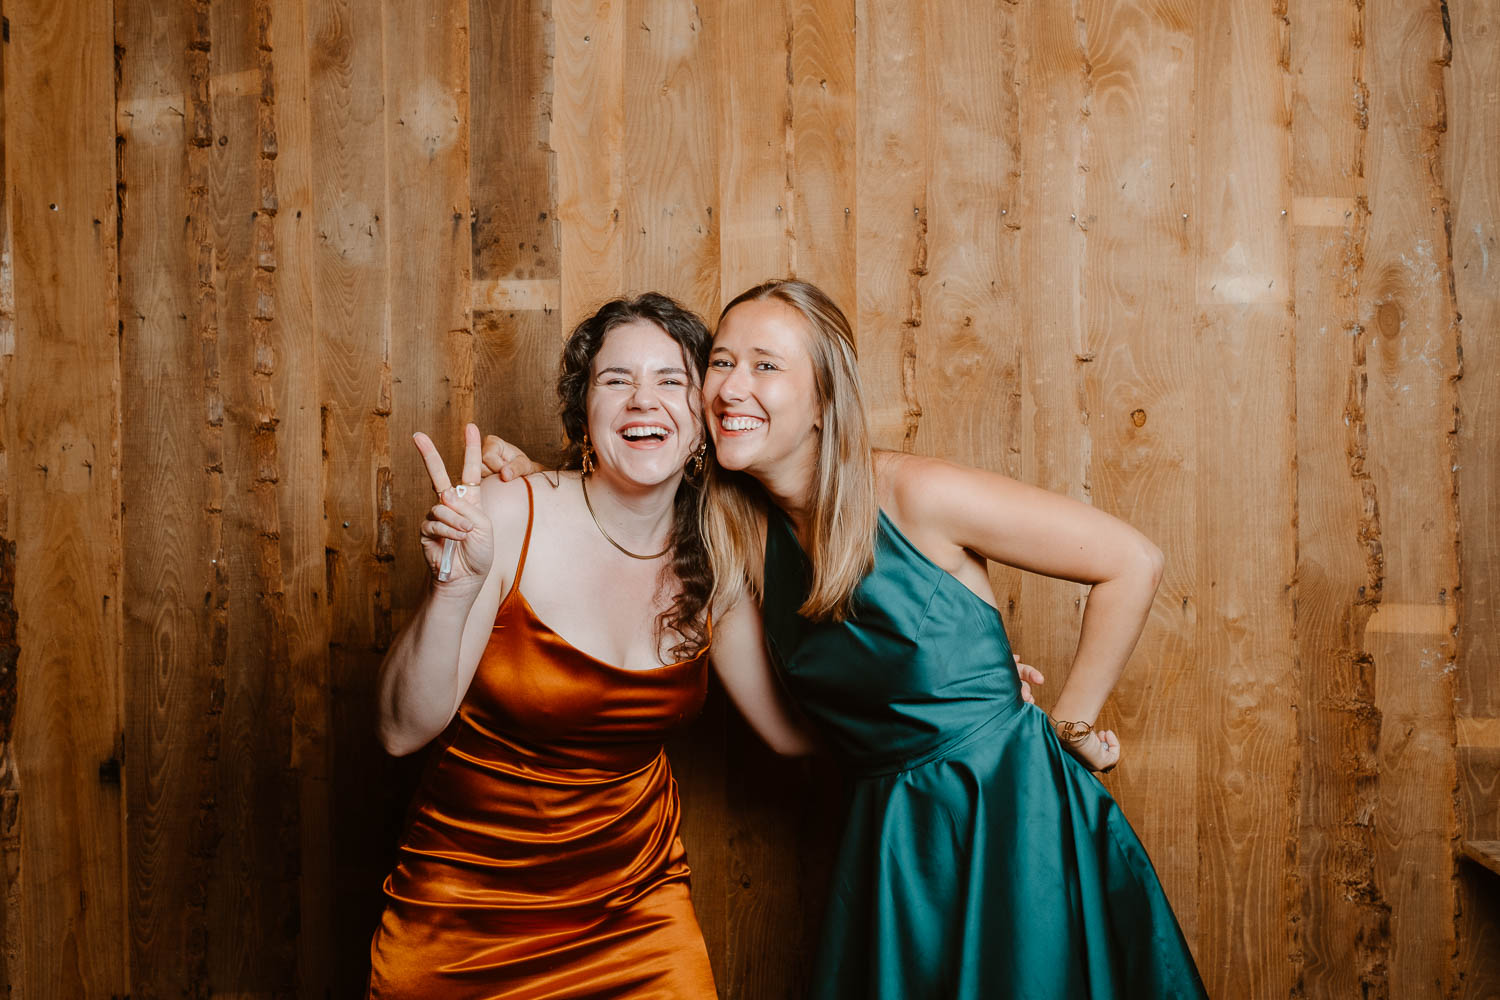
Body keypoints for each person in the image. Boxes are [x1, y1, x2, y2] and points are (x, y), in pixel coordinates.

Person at [697, 279, 1208, 998]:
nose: (731, 387)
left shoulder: (913, 493)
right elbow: (785, 736)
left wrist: (1071, 723)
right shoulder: (738, 548)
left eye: (765, 365)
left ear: (822, 403)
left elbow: (1132, 561)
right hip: (895, 842)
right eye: (720, 362)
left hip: (1011, 818)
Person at [367, 293, 720, 998]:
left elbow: (792, 719)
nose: (642, 400)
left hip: (638, 915)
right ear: (584, 415)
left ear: (704, 423)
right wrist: (454, 591)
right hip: (463, 919)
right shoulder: (505, 513)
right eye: (615, 380)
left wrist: (978, 694)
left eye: (671, 380)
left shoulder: (722, 552)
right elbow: (400, 733)